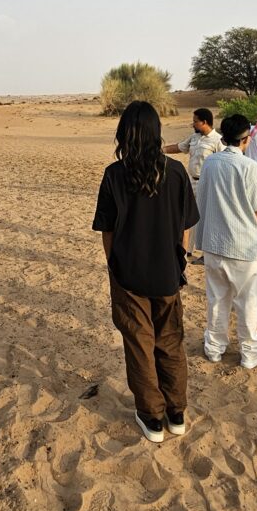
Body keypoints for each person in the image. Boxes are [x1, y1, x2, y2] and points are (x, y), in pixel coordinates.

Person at [93, 100, 199, 444]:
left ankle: (152, 416)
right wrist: (180, 258)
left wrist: (114, 265)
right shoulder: (176, 171)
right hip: (168, 271)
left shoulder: (114, 174)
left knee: (140, 343)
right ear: (157, 132)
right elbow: (186, 225)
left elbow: (108, 231)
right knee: (170, 340)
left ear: (124, 133)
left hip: (129, 274)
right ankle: (176, 412)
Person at [194, 114, 257, 369]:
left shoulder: (210, 164)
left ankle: (214, 348)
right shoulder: (250, 167)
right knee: (248, 301)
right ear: (246, 139)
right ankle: (249, 352)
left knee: (217, 299)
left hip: (214, 243)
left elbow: (203, 199)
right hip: (245, 246)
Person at [163, 108, 222, 260]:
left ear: (204, 122)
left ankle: (205, 253)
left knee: (205, 217)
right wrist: (161, 150)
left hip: (207, 183)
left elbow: (222, 163)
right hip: (191, 181)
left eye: (195, 121)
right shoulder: (194, 138)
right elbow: (179, 147)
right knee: (189, 214)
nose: (193, 124)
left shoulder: (217, 140)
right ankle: (187, 249)